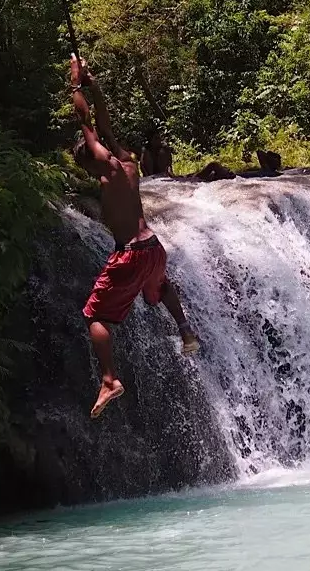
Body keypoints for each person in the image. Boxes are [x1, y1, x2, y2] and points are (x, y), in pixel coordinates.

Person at [69, 56, 200, 418]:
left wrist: (75, 85)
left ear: (89, 159)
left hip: (129, 254)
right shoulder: (127, 162)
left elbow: (87, 124)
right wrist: (95, 91)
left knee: (95, 316)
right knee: (159, 287)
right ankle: (185, 329)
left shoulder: (107, 170)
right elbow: (104, 125)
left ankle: (109, 378)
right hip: (154, 247)